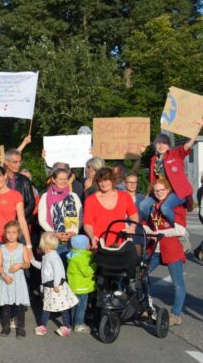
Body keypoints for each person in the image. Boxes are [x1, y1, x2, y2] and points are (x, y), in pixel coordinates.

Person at [0, 165, 34, 320]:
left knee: (11, 274)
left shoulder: (15, 195)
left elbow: (22, 220)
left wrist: (28, 245)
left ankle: (11, 308)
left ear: (5, 176)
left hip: (9, 243)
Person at [144, 177, 187, 326]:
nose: (159, 193)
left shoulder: (175, 207)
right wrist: (148, 230)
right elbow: (145, 223)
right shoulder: (152, 206)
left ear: (168, 190)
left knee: (178, 283)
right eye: (156, 190)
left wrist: (160, 233)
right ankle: (147, 306)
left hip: (171, 248)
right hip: (154, 248)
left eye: (162, 190)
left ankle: (175, 314)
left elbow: (180, 230)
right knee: (142, 275)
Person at [140, 128, 202, 224]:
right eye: (158, 143)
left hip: (177, 192)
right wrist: (148, 195)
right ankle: (154, 226)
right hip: (159, 192)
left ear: (168, 145)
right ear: (155, 145)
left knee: (165, 207)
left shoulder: (175, 154)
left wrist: (197, 128)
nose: (161, 146)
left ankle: (176, 227)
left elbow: (188, 144)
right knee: (143, 205)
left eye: (164, 143)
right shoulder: (153, 160)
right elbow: (153, 181)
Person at [31, 232, 78, 337]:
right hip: (49, 287)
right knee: (47, 307)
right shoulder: (47, 256)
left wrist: (56, 284)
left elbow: (58, 271)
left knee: (62, 308)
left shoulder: (53, 257)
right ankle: (43, 326)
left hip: (56, 286)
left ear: (44, 244)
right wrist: (32, 261)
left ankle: (66, 327)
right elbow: (43, 267)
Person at [83, 168, 139, 249]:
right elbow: (87, 224)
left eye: (106, 180)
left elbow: (134, 215)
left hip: (120, 244)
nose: (103, 184)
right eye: (100, 181)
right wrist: (92, 237)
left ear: (112, 180)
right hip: (99, 244)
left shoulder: (125, 196)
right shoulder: (90, 200)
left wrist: (132, 227)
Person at [0, 221, 31, 337]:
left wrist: (19, 265)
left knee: (19, 305)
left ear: (18, 234)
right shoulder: (1, 248)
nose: (11, 235)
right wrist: (4, 276)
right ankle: (6, 327)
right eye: (8, 232)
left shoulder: (22, 247)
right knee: (6, 305)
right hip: (6, 280)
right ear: (5, 234)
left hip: (18, 281)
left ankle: (21, 328)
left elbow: (27, 264)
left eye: (14, 232)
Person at [37, 168, 82, 252]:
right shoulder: (45, 196)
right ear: (53, 179)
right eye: (61, 179)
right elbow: (42, 220)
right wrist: (55, 233)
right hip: (52, 240)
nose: (64, 181)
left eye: (65, 179)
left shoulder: (74, 196)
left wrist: (74, 232)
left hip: (71, 240)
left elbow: (80, 217)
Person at [66, 234, 96, 332]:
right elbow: (87, 272)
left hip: (73, 285)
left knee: (74, 305)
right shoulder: (82, 258)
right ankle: (79, 324)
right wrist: (95, 265)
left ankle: (72, 322)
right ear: (84, 245)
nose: (89, 245)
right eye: (88, 243)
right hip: (81, 287)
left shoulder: (73, 254)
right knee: (82, 306)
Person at [3, 148, 35, 228]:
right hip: (3, 223)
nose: (18, 165)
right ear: (6, 162)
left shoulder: (25, 180)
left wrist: (19, 216)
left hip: (21, 224)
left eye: (19, 162)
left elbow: (31, 203)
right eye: (15, 162)